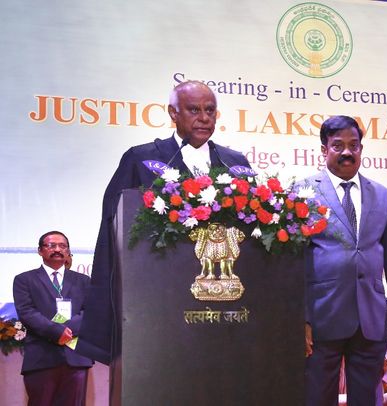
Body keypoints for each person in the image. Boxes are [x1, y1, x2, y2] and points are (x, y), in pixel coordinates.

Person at [77, 81, 251, 363]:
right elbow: (114, 222)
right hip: (157, 304)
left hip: (225, 303)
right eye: (194, 110)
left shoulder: (235, 162)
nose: (204, 117)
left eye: (210, 110)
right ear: (173, 113)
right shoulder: (142, 158)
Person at [301, 115, 387, 406]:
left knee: (368, 399)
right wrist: (299, 318)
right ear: (323, 150)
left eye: (354, 145)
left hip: (370, 316)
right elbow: (295, 262)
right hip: (320, 318)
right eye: (338, 145)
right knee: (316, 398)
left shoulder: (382, 195)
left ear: (361, 150)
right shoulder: (302, 192)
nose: (347, 152)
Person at [13, 231, 93, 405]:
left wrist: (68, 330)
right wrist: (57, 331)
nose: (57, 249)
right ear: (40, 251)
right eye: (51, 245)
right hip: (41, 357)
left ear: (68, 251)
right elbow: (26, 312)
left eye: (62, 246)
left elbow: (91, 312)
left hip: (76, 357)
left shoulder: (84, 281)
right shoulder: (24, 280)